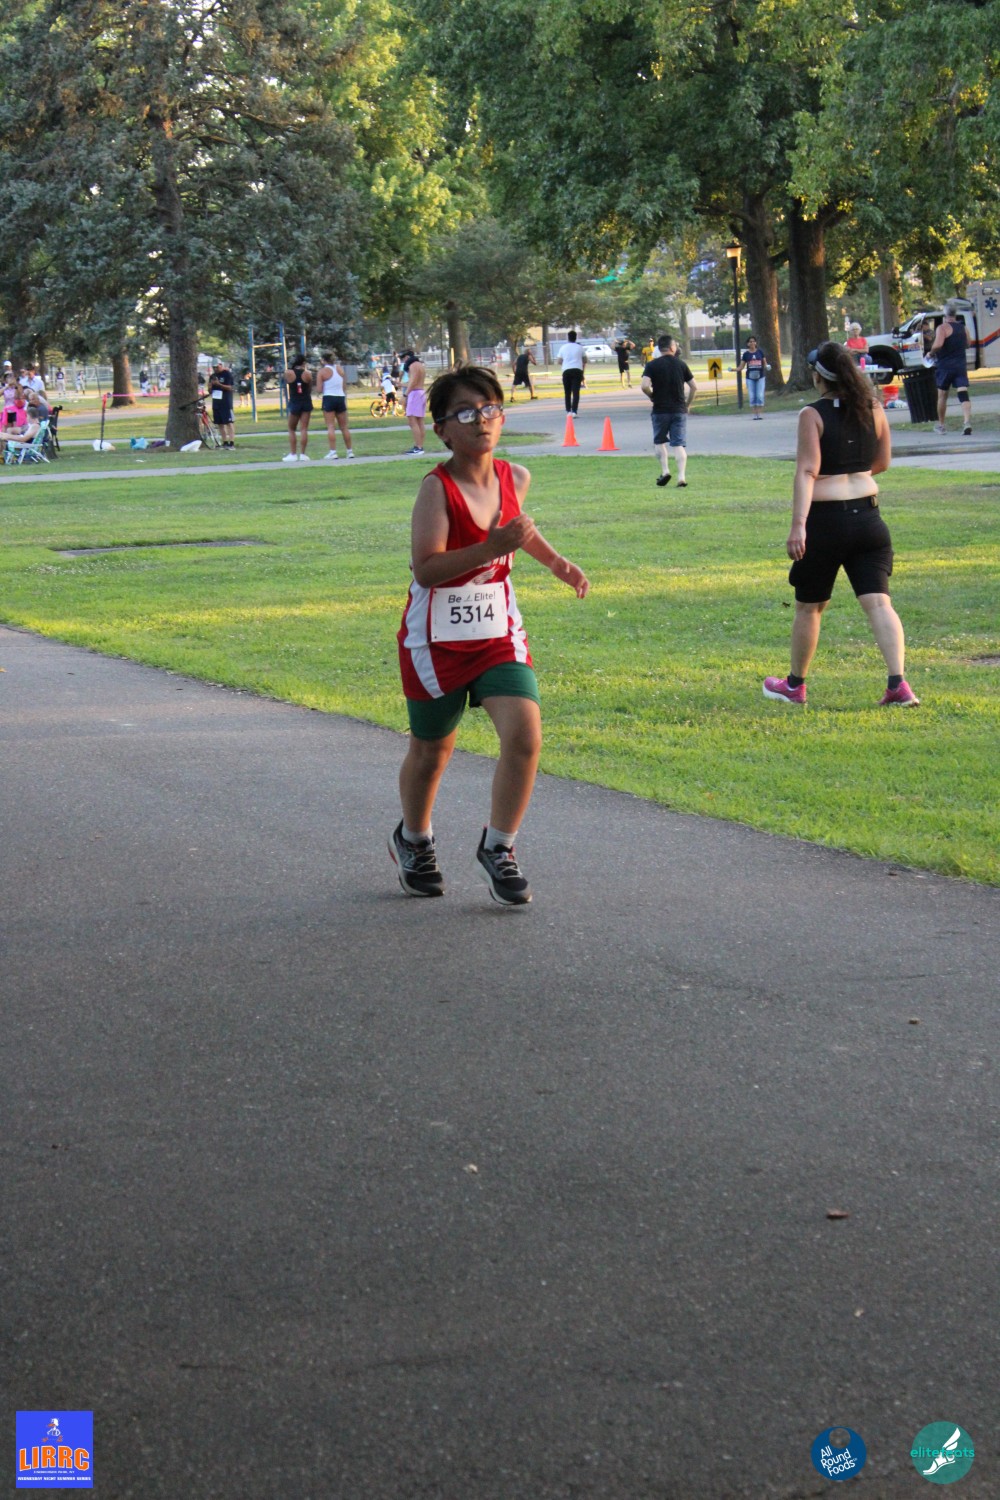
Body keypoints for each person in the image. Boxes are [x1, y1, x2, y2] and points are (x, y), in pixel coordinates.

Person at [390, 365, 589, 906]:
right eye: (465, 412)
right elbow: (426, 570)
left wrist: (557, 563)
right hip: (434, 638)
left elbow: (519, 530)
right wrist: (489, 548)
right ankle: (414, 840)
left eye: (490, 409)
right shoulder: (436, 489)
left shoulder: (514, 477)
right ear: (442, 430)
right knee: (432, 749)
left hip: (497, 628)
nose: (481, 420)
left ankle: (499, 847)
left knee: (525, 736)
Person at [763, 341, 919, 708]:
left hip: (826, 522)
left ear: (818, 377)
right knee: (879, 603)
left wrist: (798, 525)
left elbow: (807, 471)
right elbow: (882, 462)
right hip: (869, 519)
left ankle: (795, 686)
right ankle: (898, 684)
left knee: (809, 606)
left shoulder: (811, 414)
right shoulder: (873, 407)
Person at [640, 335, 697, 487]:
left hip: (660, 409)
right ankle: (681, 477)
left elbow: (644, 386)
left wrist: (652, 396)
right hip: (678, 409)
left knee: (659, 441)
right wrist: (687, 404)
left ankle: (665, 471)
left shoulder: (652, 365)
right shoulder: (681, 364)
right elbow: (694, 387)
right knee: (678, 444)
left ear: (659, 349)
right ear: (672, 348)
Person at [928, 299, 972, 436]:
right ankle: (967, 422)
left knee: (942, 395)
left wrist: (931, 353)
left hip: (945, 366)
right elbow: (968, 344)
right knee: (963, 392)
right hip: (960, 365)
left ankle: (941, 425)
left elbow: (938, 345)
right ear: (955, 314)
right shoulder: (963, 328)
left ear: (944, 315)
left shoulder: (942, 328)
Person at [318, 351, 354, 460]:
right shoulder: (339, 369)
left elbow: (319, 389)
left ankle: (333, 452)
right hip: (340, 397)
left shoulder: (322, 371)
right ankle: (349, 451)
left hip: (329, 397)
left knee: (330, 426)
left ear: (324, 360)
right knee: (344, 427)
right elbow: (344, 385)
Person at [283, 352, 314, 461]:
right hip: (306, 401)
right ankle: (303, 454)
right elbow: (309, 388)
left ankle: (293, 454)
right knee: (304, 429)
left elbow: (286, 382)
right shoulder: (307, 374)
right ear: (303, 363)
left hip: (295, 401)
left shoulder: (289, 373)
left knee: (291, 428)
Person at [556, 330, 586, 416]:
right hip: (577, 370)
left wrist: (566, 363)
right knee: (576, 392)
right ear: (575, 338)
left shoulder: (563, 347)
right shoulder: (580, 347)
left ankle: (568, 410)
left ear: (568, 337)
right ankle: (574, 411)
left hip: (566, 370)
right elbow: (585, 360)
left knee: (567, 392)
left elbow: (559, 361)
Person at [739, 336, 771, 418]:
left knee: (759, 395)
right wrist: (733, 369)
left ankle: (759, 414)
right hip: (750, 378)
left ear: (756, 343)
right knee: (752, 396)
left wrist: (767, 366)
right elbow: (741, 367)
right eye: (750, 342)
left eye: (753, 341)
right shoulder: (746, 354)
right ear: (748, 344)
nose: (752, 343)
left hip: (760, 377)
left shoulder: (760, 352)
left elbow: (765, 363)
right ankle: (754, 414)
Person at [208, 358, 236, 448]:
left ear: (221, 365)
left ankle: (231, 442)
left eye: (217, 367)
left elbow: (230, 387)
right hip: (216, 402)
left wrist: (219, 384)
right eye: (214, 367)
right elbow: (210, 391)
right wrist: (210, 386)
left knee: (229, 422)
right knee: (220, 423)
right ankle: (224, 442)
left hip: (226, 402)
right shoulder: (212, 376)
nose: (215, 369)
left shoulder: (227, 374)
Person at [403, 350, 426, 456]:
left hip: (415, 394)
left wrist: (405, 395)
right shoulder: (420, 365)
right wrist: (401, 384)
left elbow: (412, 382)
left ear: (407, 357)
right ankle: (420, 446)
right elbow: (416, 382)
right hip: (421, 392)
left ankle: (418, 447)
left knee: (412, 420)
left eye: (403, 358)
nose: (403, 361)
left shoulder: (412, 366)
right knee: (420, 421)